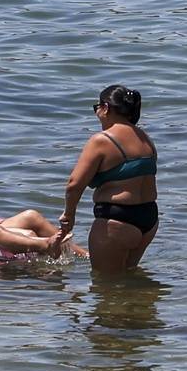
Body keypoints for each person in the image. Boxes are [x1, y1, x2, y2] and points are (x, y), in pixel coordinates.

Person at [60, 85, 158, 274]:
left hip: (117, 221)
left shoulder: (102, 140)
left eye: (97, 107)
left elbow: (74, 184)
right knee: (129, 279)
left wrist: (69, 215)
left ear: (106, 108)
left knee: (106, 285)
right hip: (149, 218)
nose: (96, 112)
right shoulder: (146, 139)